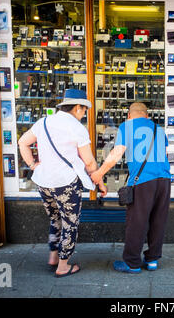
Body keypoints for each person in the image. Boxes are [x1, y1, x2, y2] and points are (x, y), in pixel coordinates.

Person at [18, 89, 107, 278]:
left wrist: (33, 165)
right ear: (77, 108)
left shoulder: (43, 122)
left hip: (43, 182)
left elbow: (23, 142)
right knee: (69, 223)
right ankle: (63, 266)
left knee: (55, 219)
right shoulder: (76, 128)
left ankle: (52, 256)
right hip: (66, 183)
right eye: (84, 110)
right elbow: (89, 162)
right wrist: (98, 181)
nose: (84, 114)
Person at [91, 102, 171, 274]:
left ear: (129, 115)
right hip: (164, 180)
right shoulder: (159, 129)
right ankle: (152, 260)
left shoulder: (126, 126)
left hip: (143, 181)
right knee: (158, 220)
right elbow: (163, 154)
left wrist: (99, 173)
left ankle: (132, 263)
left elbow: (117, 152)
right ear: (147, 116)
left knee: (137, 221)